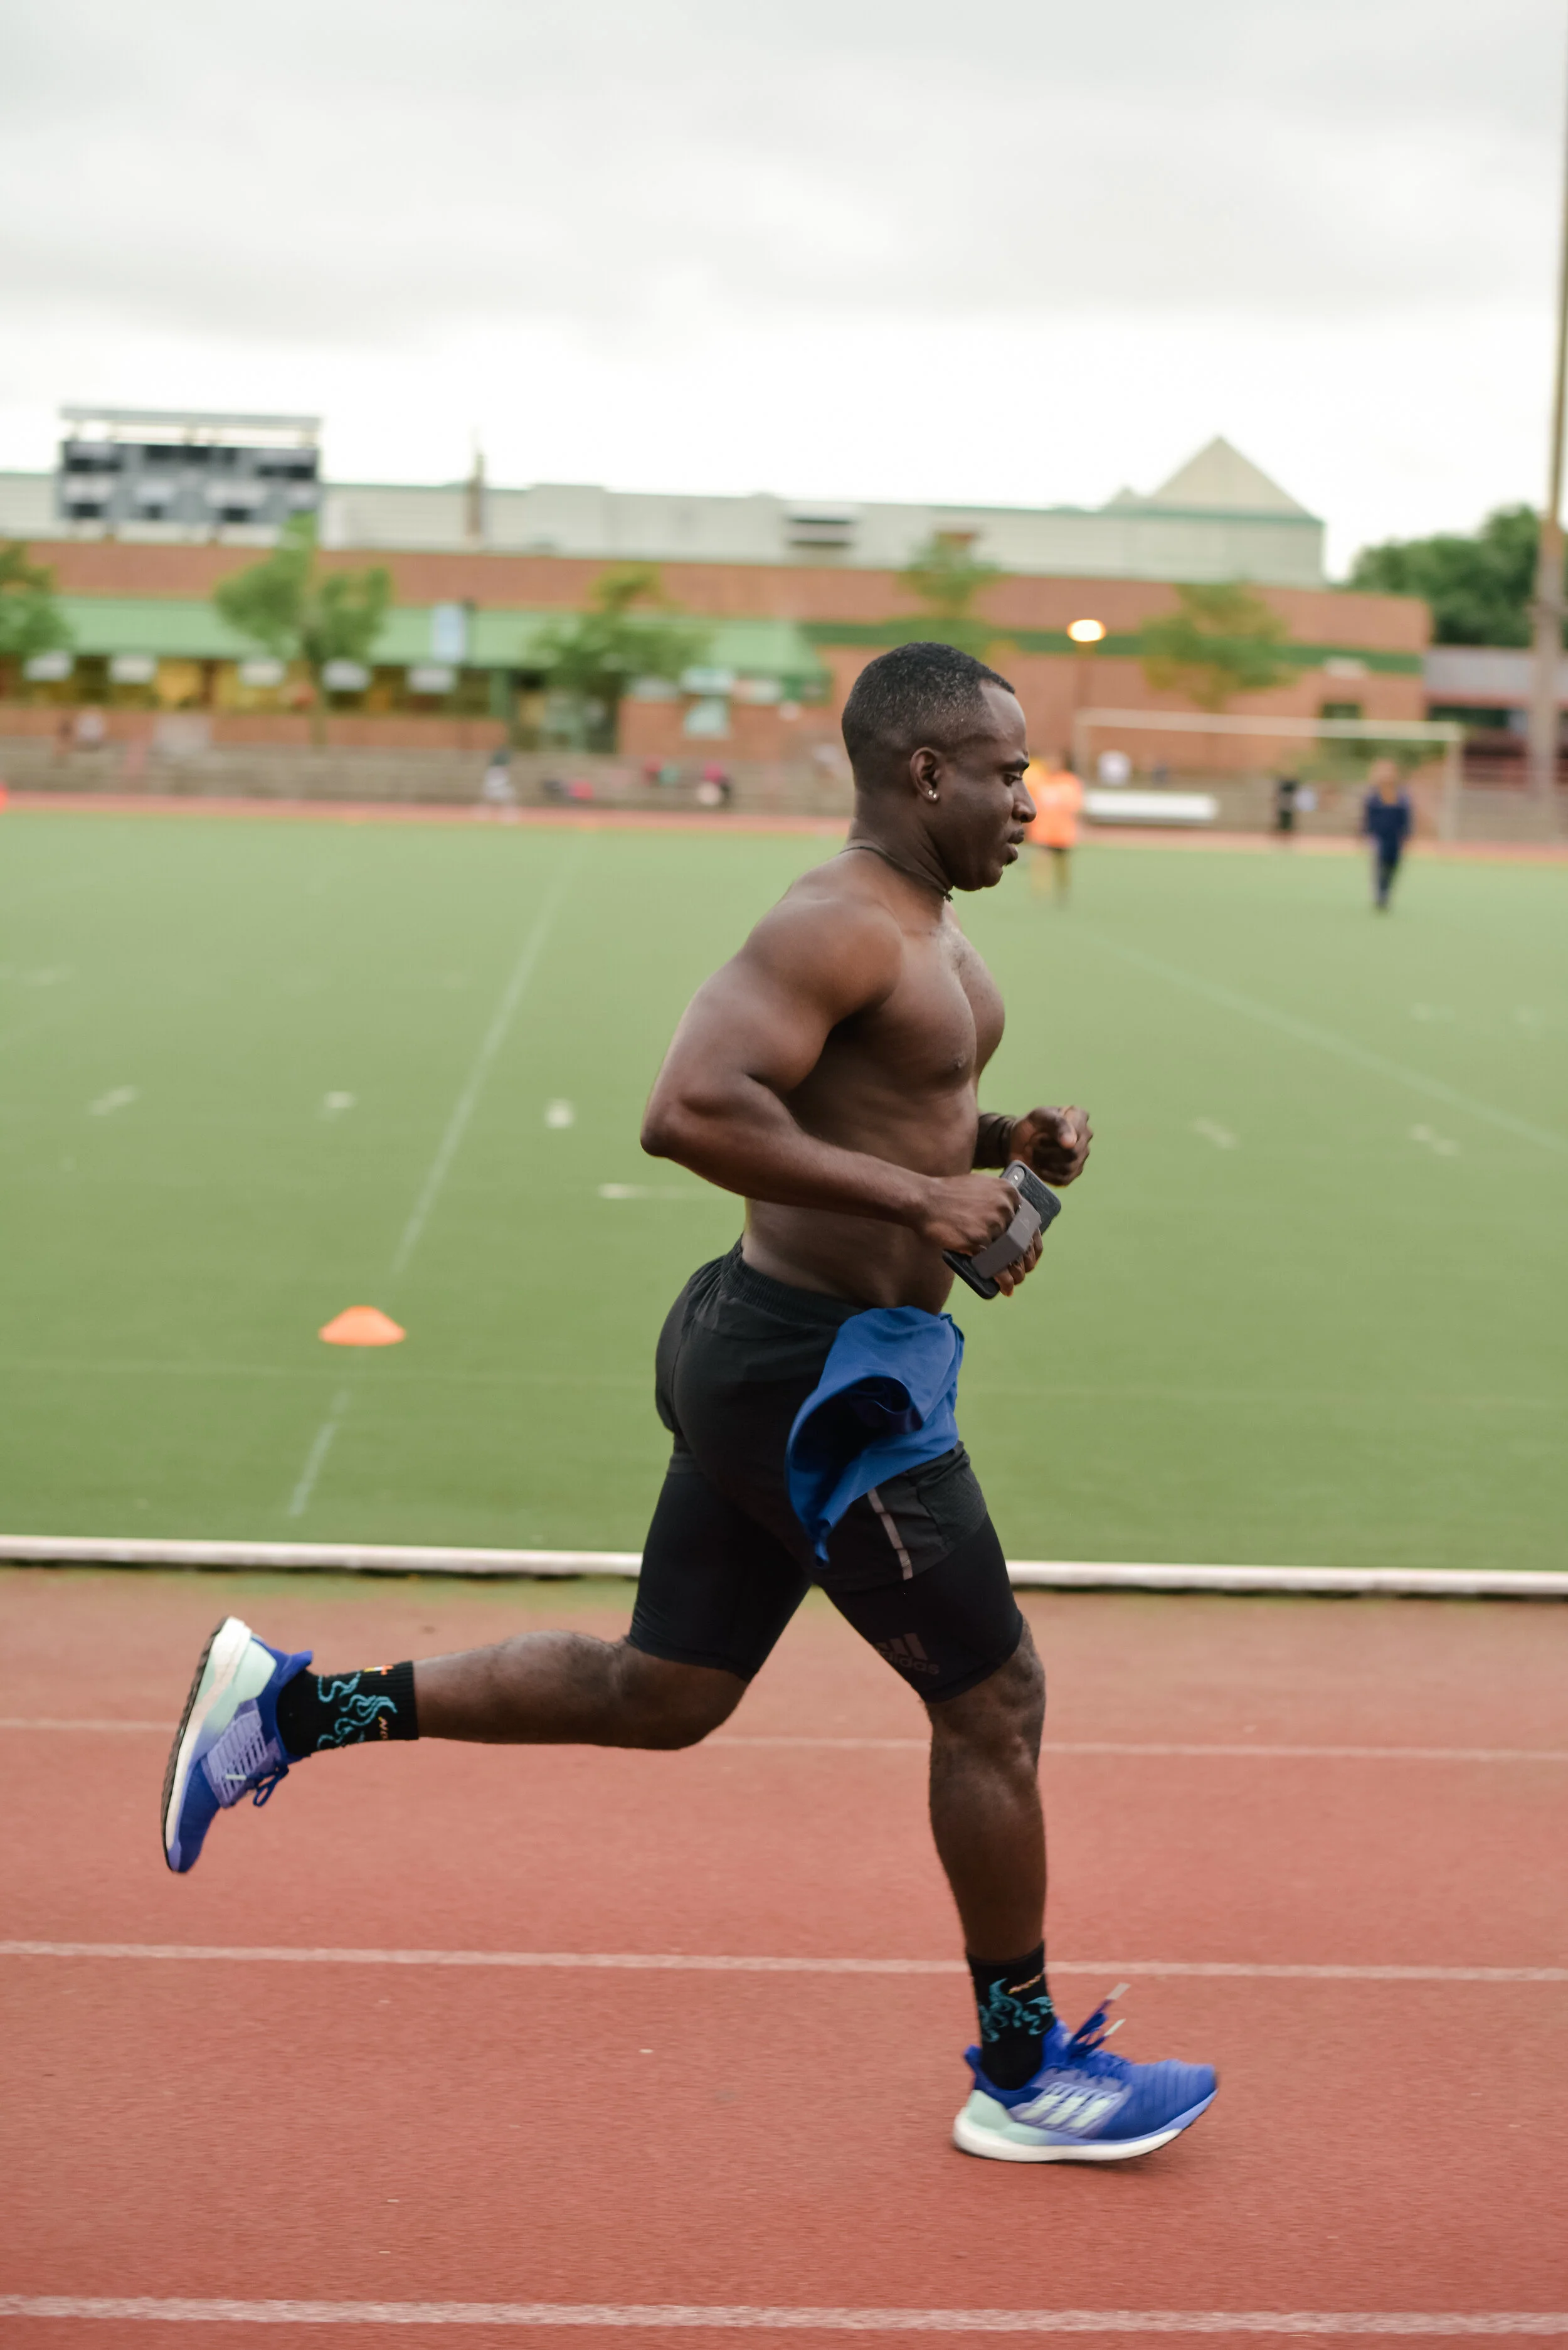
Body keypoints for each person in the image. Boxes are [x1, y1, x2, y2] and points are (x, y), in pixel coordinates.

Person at [161, 641, 1216, 2166]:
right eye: (1006, 773)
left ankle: (288, 1709)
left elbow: (877, 1103)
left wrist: (999, 1140)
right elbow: (688, 1108)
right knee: (994, 1700)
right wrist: (923, 1198)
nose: (1025, 801)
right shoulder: (832, 921)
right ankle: (1019, 2070)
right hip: (813, 1379)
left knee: (661, 1694)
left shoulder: (925, 929)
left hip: (789, 1355)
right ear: (924, 771)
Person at [1024, 753, 1084, 901]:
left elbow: (1076, 806)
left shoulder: (1069, 782)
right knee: (1042, 861)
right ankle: (1040, 892)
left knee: (1062, 864)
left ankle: (1063, 890)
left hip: (1063, 832)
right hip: (1043, 831)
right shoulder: (1040, 781)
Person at [1362, 758, 1412, 910]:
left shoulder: (1401, 797)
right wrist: (1366, 834)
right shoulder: (1373, 797)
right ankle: (1380, 893)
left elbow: (1406, 818)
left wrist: (1407, 834)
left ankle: (1386, 890)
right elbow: (1368, 818)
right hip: (1379, 837)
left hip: (1395, 838)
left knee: (1393, 865)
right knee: (1379, 863)